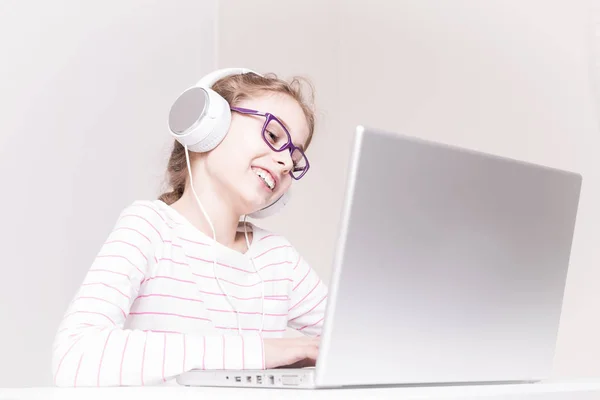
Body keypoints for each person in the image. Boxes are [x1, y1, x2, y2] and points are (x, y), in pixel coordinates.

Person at [51, 69, 328, 387]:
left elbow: (364, 341)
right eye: (274, 136)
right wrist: (261, 352)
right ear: (209, 124)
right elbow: (76, 355)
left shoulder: (278, 259)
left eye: (295, 157)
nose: (285, 163)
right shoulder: (150, 229)